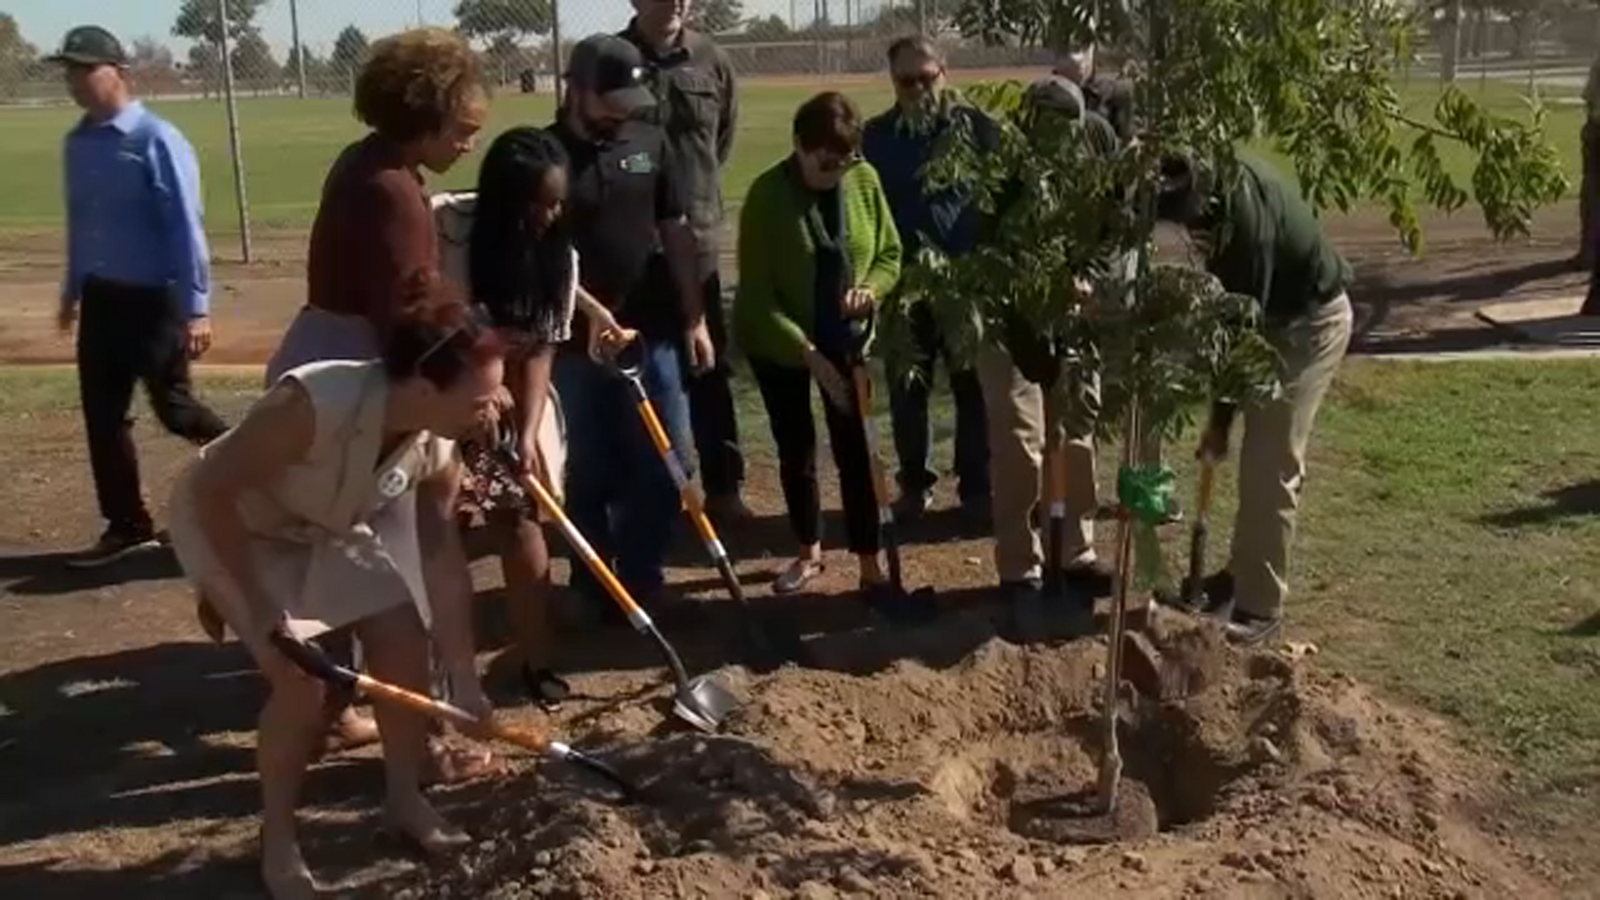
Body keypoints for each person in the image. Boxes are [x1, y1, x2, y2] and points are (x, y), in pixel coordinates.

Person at [167, 289, 504, 900]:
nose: (492, 410)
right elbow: (215, 489)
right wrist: (266, 614)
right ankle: (278, 842)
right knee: (303, 683)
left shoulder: (437, 441)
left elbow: (441, 557)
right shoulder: (315, 401)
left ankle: (404, 800)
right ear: (426, 389)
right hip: (231, 527)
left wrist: (464, 677)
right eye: (481, 399)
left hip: (317, 527)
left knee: (403, 634)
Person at [262, 27, 489, 778]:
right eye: (459, 127)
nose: (467, 141)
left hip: (325, 361)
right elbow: (408, 320)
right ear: (421, 112)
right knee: (402, 565)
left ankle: (334, 709)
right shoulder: (393, 192)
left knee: (327, 549)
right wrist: (464, 390)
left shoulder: (373, 168)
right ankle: (423, 743)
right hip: (358, 381)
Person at [459, 126, 632, 705]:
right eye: (539, 203)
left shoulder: (559, 256)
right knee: (443, 529)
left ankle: (537, 660)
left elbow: (540, 348)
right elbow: (430, 326)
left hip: (513, 400)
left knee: (519, 519)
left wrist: (527, 433)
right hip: (439, 396)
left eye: (559, 202)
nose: (550, 215)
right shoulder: (452, 230)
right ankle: (443, 674)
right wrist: (478, 385)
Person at [1156, 152, 1355, 645]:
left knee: (1270, 459)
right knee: (1257, 457)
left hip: (1309, 325)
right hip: (1271, 316)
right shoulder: (1213, 190)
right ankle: (1239, 574)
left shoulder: (1245, 224)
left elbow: (1243, 328)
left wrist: (1220, 422)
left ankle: (1261, 606)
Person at [48, 25, 228, 567]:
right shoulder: (77, 144)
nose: (75, 81)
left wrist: (197, 307)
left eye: (85, 69)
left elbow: (185, 227)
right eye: (69, 71)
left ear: (118, 72)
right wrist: (72, 289)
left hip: (156, 302)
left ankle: (256, 469)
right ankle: (128, 525)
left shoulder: (156, 139)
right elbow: (82, 223)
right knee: (102, 417)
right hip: (103, 299)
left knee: (175, 410)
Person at [550, 34, 709, 615]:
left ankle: (643, 575)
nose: (624, 108)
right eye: (611, 97)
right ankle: (593, 582)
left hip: (652, 334)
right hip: (573, 346)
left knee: (669, 461)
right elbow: (537, 258)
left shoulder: (649, 139)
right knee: (586, 467)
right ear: (577, 90)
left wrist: (695, 318)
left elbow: (675, 228)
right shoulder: (545, 155)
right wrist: (589, 315)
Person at [734, 92, 903, 594]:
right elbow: (757, 297)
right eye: (825, 162)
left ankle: (870, 563)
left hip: (846, 337)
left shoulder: (864, 179)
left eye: (844, 160)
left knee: (856, 448)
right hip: (779, 336)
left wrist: (870, 290)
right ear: (799, 147)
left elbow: (890, 253)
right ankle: (808, 551)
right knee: (797, 448)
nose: (835, 172)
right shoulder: (766, 196)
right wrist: (807, 355)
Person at [977, 76, 1123, 610]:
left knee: (1078, 428)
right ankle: (1020, 566)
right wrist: (1032, 348)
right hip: (1007, 313)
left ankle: (1075, 552)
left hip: (1074, 307)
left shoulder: (1099, 138)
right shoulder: (1003, 162)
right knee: (1020, 441)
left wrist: (1089, 275)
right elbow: (990, 258)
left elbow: (1114, 221)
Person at [620, 0, 749, 523]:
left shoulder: (712, 59)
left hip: (696, 237)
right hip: (631, 240)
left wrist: (689, 200)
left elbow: (721, 142)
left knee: (708, 365)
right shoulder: (612, 58)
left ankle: (725, 485)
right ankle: (660, 485)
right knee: (642, 367)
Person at [862, 36, 992, 526]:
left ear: (945, 72)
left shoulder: (977, 128)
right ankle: (914, 485)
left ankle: (976, 487)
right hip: (903, 288)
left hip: (964, 286)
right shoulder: (874, 137)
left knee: (971, 389)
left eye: (926, 77)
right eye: (906, 80)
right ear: (893, 81)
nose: (917, 88)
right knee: (906, 393)